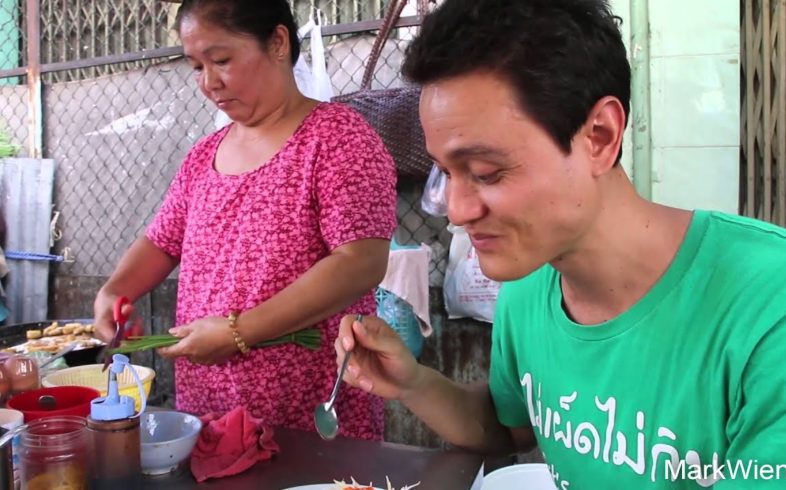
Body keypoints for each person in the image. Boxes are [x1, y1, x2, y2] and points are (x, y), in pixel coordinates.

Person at [336, 0, 786, 486]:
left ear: (599, 136)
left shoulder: (766, 307)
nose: (459, 210)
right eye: (446, 172)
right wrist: (413, 383)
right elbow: (513, 425)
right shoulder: (530, 285)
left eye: (486, 172)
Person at [94, 0, 397, 441]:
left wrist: (239, 332)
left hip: (305, 409)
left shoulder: (337, 138)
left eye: (222, 60)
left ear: (277, 42)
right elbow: (163, 242)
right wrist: (114, 291)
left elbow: (360, 262)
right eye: (196, 66)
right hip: (209, 410)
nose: (208, 82)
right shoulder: (203, 156)